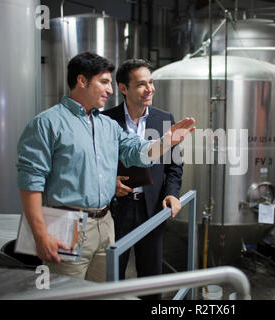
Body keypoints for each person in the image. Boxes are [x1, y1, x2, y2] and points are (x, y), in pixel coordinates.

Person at [16, 52, 194, 283]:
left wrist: (166, 141)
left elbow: (137, 153)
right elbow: (31, 183)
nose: (110, 90)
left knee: (104, 293)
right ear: (82, 81)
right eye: (104, 82)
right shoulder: (47, 123)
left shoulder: (107, 125)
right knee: (68, 294)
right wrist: (40, 235)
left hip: (106, 222)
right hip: (67, 224)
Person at [102, 59, 182, 299]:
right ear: (123, 88)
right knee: (112, 277)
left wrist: (172, 193)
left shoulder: (164, 118)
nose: (149, 89)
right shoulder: (106, 120)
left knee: (150, 280)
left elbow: (175, 165)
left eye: (151, 82)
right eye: (141, 84)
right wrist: (109, 184)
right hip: (116, 210)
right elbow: (97, 165)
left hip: (152, 209)